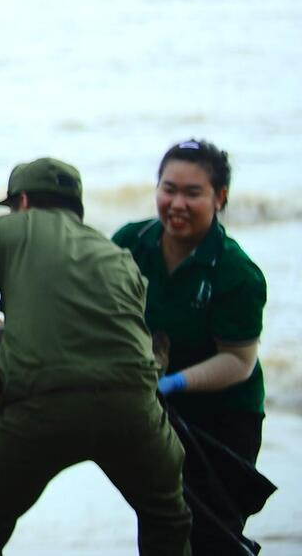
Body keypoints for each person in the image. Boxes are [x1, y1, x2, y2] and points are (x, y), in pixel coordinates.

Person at [0, 158, 191, 556]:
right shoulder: (116, 255)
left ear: (21, 201)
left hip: (42, 405)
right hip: (134, 407)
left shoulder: (4, 229)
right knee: (167, 520)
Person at [113, 139, 268, 553]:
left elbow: (238, 361)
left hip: (225, 418)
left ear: (220, 198)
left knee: (215, 533)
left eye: (192, 193)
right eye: (169, 189)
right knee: (162, 524)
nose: (176, 203)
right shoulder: (131, 243)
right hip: (156, 414)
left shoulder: (236, 272)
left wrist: (174, 383)